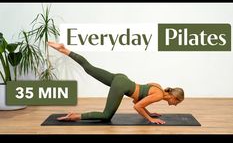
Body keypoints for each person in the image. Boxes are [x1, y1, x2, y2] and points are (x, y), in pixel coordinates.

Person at [47, 41, 184, 124]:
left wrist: (149, 112)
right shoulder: (159, 96)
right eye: (177, 102)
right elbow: (137, 107)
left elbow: (137, 101)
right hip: (122, 86)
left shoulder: (158, 86)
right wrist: (150, 119)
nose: (176, 104)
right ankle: (74, 116)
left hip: (122, 78)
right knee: (106, 116)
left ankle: (64, 49)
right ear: (174, 97)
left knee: (90, 68)